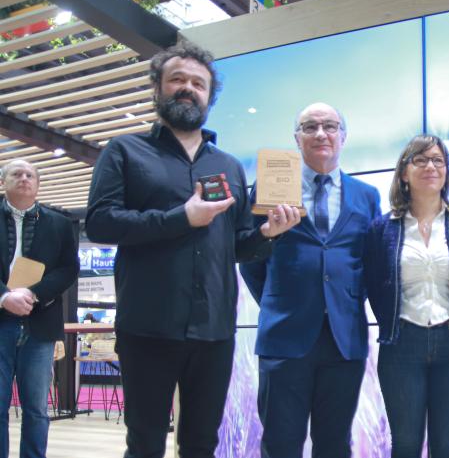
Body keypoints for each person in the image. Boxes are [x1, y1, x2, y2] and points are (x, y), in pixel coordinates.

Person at [86, 41, 300, 458]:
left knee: (202, 444)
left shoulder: (229, 166)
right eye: (177, 80)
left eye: (197, 83)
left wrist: (268, 234)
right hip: (147, 326)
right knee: (145, 443)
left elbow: (237, 247)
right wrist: (180, 218)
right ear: (158, 88)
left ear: (209, 96)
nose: (188, 88)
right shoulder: (124, 151)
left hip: (214, 330)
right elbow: (100, 222)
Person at [240, 102, 381, 458]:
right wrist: (279, 301)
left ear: (343, 136)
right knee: (281, 444)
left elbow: (371, 263)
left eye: (330, 126)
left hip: (343, 340)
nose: (321, 133)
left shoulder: (367, 196)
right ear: (296, 137)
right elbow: (250, 260)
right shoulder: (268, 190)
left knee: (335, 445)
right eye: (310, 126)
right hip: (284, 337)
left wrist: (343, 301)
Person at [365, 135, 449, 458]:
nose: (431, 166)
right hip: (402, 343)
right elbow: (374, 284)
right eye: (420, 160)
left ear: (446, 171)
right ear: (404, 173)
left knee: (446, 445)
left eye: (438, 161)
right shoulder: (382, 229)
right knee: (405, 444)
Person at [0, 159, 79, 458]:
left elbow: (69, 269)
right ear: (3, 181)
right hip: (0, 321)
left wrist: (33, 294)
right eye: (16, 174)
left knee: (36, 408)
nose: (24, 178)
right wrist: (4, 297)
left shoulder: (58, 223)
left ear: (38, 184)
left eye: (30, 174)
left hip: (40, 323)